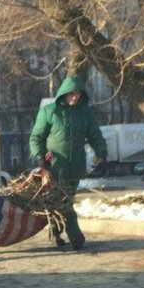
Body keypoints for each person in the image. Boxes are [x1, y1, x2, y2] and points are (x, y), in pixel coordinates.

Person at [29, 75, 108, 250]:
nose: (75, 97)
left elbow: (95, 135)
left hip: (76, 166)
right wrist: (40, 157)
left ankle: (55, 232)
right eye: (72, 94)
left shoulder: (85, 113)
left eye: (78, 94)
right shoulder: (50, 112)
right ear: (64, 94)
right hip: (54, 166)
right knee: (65, 200)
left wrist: (101, 153)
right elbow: (36, 138)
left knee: (63, 200)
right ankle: (76, 236)